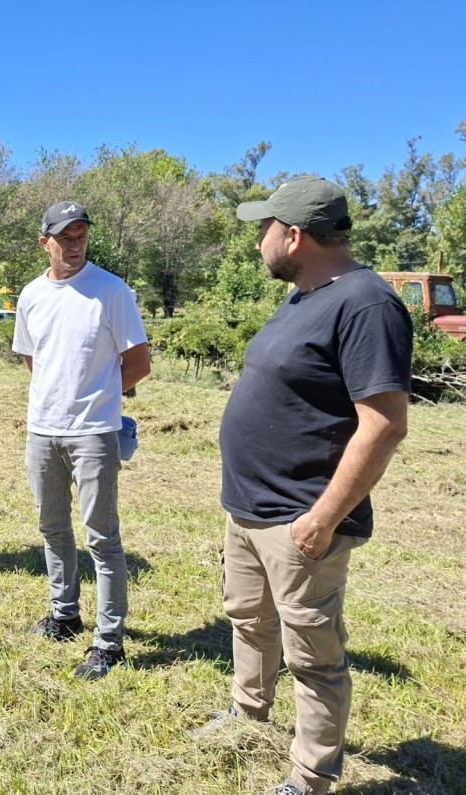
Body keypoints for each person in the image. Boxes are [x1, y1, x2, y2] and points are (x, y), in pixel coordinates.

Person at [190, 176, 412, 795]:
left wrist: (322, 518)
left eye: (263, 229)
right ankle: (248, 714)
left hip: (301, 517)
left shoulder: (366, 304)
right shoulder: (303, 298)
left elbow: (385, 424)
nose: (256, 241)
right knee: (248, 620)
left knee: (313, 655)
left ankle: (311, 775)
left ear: (293, 237)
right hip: (250, 507)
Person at [12, 201, 151, 680]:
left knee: (102, 539)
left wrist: (100, 399)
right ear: (45, 242)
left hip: (93, 433)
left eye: (81, 236)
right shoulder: (31, 294)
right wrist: (58, 398)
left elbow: (139, 362)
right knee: (52, 528)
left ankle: (109, 642)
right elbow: (33, 359)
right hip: (42, 430)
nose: (74, 246)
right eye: (64, 238)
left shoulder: (111, 291)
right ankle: (65, 614)